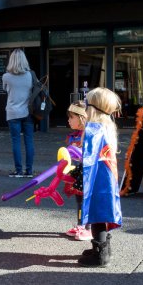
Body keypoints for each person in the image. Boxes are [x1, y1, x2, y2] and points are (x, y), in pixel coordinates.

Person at [77, 87, 122, 267]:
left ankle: (100, 254)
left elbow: (88, 157)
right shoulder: (107, 126)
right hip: (106, 178)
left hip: (97, 179)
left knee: (96, 213)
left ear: (92, 108)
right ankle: (103, 248)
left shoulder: (94, 129)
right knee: (101, 212)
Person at [2, 48, 34, 178]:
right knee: (29, 141)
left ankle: (18, 170)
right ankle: (30, 170)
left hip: (13, 112)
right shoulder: (30, 75)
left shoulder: (6, 77)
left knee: (15, 141)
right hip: (27, 112)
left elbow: (5, 90)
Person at [63, 101, 92, 242]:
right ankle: (81, 225)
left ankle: (88, 228)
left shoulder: (90, 135)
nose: (68, 120)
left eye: (71, 117)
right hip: (79, 171)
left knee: (88, 199)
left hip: (89, 172)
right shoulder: (74, 136)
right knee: (79, 199)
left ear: (81, 118)